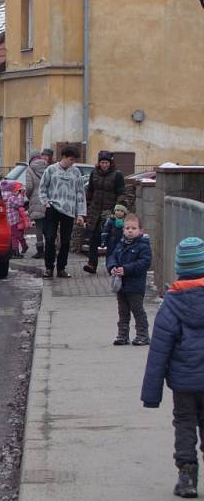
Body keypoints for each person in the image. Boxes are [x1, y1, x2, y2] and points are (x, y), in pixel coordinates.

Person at [142, 237, 204, 498]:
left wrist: (151, 394)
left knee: (185, 423)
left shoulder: (172, 304)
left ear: (180, 268)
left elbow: (159, 351)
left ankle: (187, 476)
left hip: (184, 382)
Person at [38, 146, 87, 279]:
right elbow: (42, 187)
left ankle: (61, 268)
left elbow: (80, 193)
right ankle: (49, 268)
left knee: (65, 241)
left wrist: (80, 214)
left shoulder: (76, 173)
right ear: (64, 157)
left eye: (74, 160)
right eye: (71, 159)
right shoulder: (51, 170)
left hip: (69, 210)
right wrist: (46, 202)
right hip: (53, 208)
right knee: (50, 238)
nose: (72, 162)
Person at [106, 213, 151, 346]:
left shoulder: (143, 246)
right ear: (123, 230)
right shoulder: (121, 244)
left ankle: (142, 335)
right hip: (121, 285)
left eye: (133, 228)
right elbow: (112, 257)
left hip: (135, 286)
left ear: (140, 230)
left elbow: (144, 263)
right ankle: (122, 335)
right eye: (127, 228)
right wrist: (113, 267)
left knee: (137, 310)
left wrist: (126, 269)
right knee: (123, 311)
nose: (130, 231)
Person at [83, 151, 126, 274]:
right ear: (99, 163)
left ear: (110, 163)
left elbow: (121, 193)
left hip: (110, 212)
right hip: (95, 211)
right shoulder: (94, 173)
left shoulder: (117, 175)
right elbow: (90, 191)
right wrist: (87, 206)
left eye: (106, 162)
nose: (104, 165)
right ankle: (92, 264)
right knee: (93, 239)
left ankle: (111, 266)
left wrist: (117, 210)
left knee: (111, 240)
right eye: (102, 162)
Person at [24, 154, 48, 259]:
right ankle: (50, 249)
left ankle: (40, 251)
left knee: (38, 227)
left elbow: (29, 187)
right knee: (49, 226)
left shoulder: (30, 169)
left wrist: (30, 197)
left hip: (36, 198)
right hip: (48, 200)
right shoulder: (48, 168)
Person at [3, 181, 29, 258]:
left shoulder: (3, 196)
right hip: (13, 220)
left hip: (7, 220)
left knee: (13, 235)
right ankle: (15, 251)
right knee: (15, 236)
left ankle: (15, 250)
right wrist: (21, 195)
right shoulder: (11, 197)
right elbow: (20, 204)